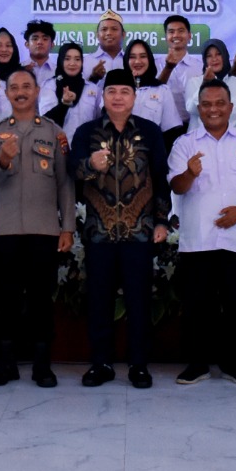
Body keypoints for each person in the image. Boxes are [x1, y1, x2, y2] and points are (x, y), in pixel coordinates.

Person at [70, 68, 171, 388]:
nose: (118, 97)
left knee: (139, 300)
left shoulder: (150, 132)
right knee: (98, 299)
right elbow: (72, 171)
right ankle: (100, 363)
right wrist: (90, 165)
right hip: (99, 232)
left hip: (139, 232)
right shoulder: (86, 132)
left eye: (124, 92)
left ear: (134, 97)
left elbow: (161, 178)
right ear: (103, 96)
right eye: (112, 91)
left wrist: (161, 220)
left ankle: (138, 365)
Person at [169, 80, 236, 385]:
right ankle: (197, 364)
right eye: (206, 104)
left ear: (230, 107)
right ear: (199, 108)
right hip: (198, 240)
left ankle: (234, 364)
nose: (213, 109)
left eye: (219, 103)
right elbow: (176, 186)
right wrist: (189, 173)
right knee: (197, 305)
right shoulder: (185, 143)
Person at [0, 68, 75, 387]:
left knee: (40, 298)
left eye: (26, 87)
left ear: (36, 92)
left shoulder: (54, 132)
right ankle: (6, 364)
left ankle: (42, 366)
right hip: (7, 229)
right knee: (6, 298)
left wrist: (67, 227)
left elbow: (64, 183)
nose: (20, 92)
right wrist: (3, 160)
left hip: (44, 230)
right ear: (6, 93)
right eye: (14, 88)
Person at [124, 38, 185, 146]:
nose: (137, 61)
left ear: (150, 59)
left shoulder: (162, 90)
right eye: (132, 57)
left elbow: (171, 131)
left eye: (143, 56)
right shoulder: (116, 87)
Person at [183, 39, 236, 129]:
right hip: (200, 137)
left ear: (225, 56)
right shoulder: (194, 82)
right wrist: (204, 84)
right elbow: (191, 109)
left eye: (218, 54)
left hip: (234, 137)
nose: (214, 59)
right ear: (204, 60)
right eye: (209, 56)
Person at [44, 42, 101, 139]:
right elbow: (45, 121)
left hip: (85, 146)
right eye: (67, 59)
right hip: (55, 145)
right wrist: (64, 104)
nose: (72, 63)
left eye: (77, 59)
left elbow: (98, 121)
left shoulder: (93, 88)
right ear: (61, 60)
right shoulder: (49, 86)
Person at [156, 14, 201, 105]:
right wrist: (168, 68)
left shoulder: (200, 66)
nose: (176, 35)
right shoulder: (155, 65)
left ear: (189, 36)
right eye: (171, 32)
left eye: (181, 31)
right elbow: (153, 93)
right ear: (165, 37)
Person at [85, 9, 127, 82]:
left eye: (114, 29)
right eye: (104, 29)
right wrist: (93, 78)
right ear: (97, 35)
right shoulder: (86, 61)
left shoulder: (131, 61)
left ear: (123, 34)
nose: (108, 33)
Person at [22, 19, 56, 94]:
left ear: (52, 45)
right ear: (27, 44)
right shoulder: (18, 69)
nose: (39, 42)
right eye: (35, 39)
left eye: (45, 39)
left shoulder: (58, 71)